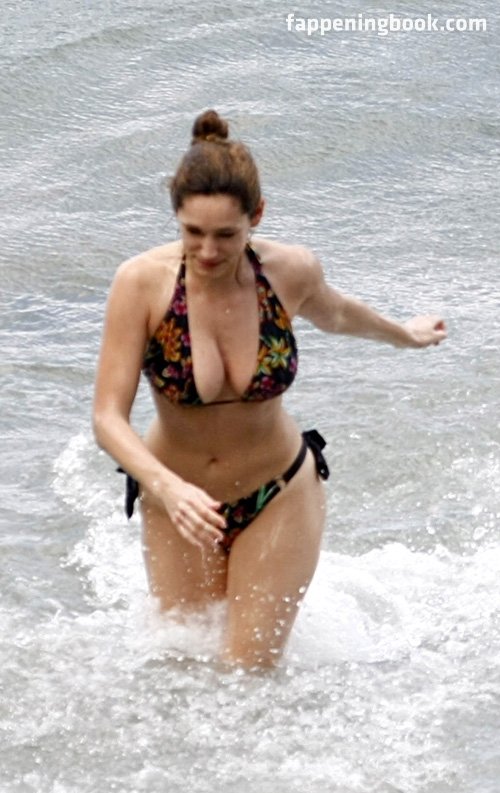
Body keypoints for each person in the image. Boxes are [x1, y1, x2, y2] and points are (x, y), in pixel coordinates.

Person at [93, 109, 446, 669]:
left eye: (226, 235)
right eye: (192, 233)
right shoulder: (140, 284)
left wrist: (405, 334)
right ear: (176, 218)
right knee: (183, 669)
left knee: (248, 674)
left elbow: (338, 314)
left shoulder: (288, 272)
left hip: (277, 491)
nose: (208, 252)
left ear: (256, 216)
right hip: (178, 500)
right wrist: (167, 487)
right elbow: (107, 418)